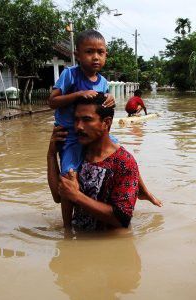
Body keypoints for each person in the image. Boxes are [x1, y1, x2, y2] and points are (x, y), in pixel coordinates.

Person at [47, 29, 161, 208]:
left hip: (93, 133)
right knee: (68, 178)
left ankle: (142, 190)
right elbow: (52, 101)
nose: (95, 57)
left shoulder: (103, 82)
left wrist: (111, 99)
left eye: (100, 52)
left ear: (106, 55)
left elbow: (103, 111)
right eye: (89, 52)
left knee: (125, 155)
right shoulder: (69, 74)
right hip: (69, 135)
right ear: (77, 54)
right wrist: (78, 94)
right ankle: (67, 229)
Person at [47, 97, 140, 230]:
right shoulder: (77, 156)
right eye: (76, 120)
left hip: (109, 245)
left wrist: (77, 196)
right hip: (79, 240)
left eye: (86, 120)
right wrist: (51, 154)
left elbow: (122, 219)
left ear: (106, 123)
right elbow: (58, 196)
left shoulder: (123, 162)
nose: (78, 126)